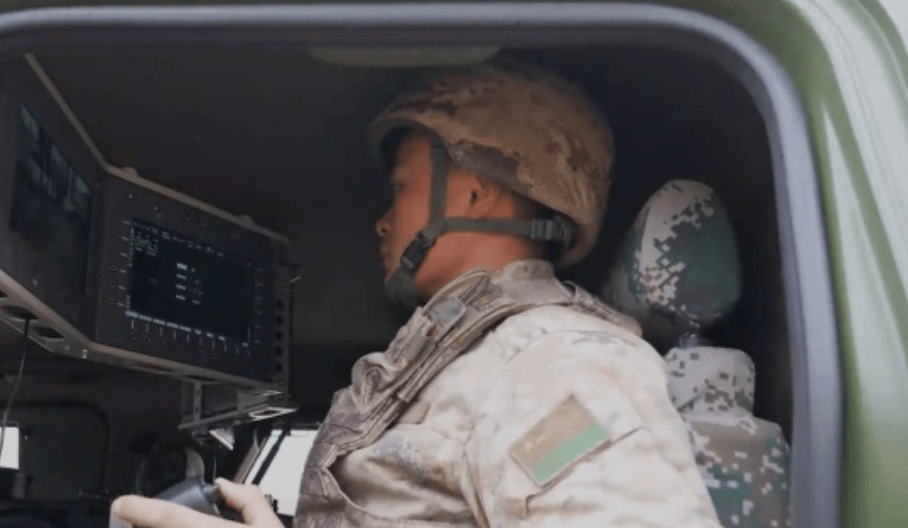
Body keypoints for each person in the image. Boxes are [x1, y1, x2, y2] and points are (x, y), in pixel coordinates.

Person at [111, 60, 723, 528]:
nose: (383, 223)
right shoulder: (479, 356)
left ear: (476, 194)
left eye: (400, 188)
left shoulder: (559, 360)